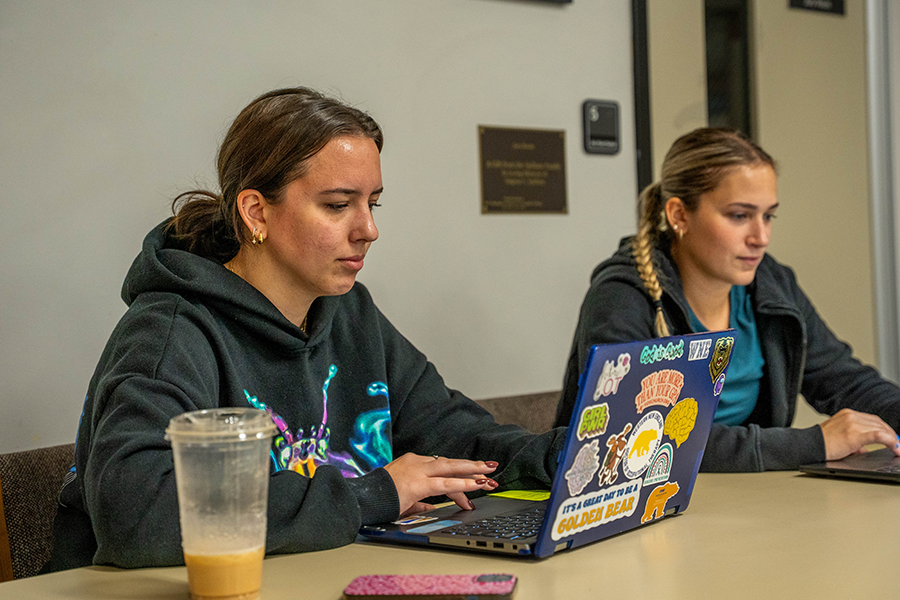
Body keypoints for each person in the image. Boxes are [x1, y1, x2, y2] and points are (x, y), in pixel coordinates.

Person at [47, 87, 565, 571]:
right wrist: (373, 494)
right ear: (256, 212)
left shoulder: (349, 311)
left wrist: (558, 454)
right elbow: (136, 512)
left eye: (372, 203)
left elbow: (448, 430)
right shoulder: (171, 331)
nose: (368, 229)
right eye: (338, 205)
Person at [553, 127, 900, 472]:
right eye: (740, 216)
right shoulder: (623, 295)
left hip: (746, 498)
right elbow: (634, 436)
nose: (761, 237)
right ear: (679, 215)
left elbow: (845, 381)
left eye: (768, 216)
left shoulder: (772, 283)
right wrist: (814, 443)